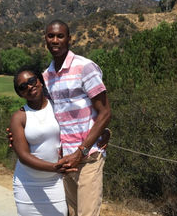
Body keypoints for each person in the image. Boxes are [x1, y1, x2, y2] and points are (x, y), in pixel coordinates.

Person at [42, 19, 111, 216]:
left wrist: (81, 151)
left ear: (69, 39)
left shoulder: (85, 67)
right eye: (51, 36)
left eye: (60, 36)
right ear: (45, 40)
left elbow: (105, 113)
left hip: (88, 157)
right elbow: (47, 115)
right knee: (71, 213)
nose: (55, 40)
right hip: (65, 160)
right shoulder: (46, 76)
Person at [10, 68, 74, 216]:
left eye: (32, 80)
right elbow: (23, 157)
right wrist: (55, 167)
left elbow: (79, 124)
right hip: (27, 184)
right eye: (22, 86)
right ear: (20, 93)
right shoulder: (19, 117)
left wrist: (104, 132)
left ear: (40, 81)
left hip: (54, 183)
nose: (29, 86)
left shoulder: (58, 106)